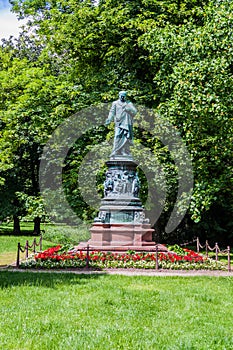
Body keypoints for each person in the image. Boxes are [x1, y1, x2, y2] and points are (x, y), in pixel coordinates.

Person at [105, 91, 137, 157]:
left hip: (127, 122)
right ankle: (115, 151)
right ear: (119, 96)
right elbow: (112, 112)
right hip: (119, 122)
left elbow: (134, 112)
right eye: (121, 96)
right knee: (117, 136)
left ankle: (124, 151)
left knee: (126, 137)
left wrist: (128, 109)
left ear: (126, 96)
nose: (122, 97)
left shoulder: (128, 103)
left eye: (124, 96)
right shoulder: (115, 103)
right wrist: (109, 119)